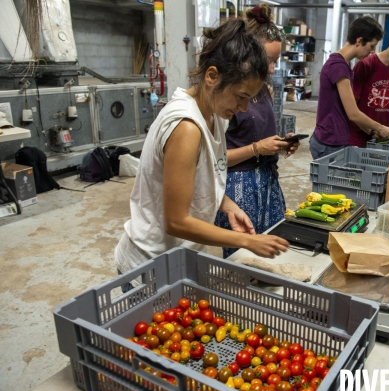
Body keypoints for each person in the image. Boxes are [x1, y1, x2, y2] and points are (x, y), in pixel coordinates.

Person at [114, 19, 289, 290]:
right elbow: (176, 221)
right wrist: (247, 241)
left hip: (179, 260)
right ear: (212, 76)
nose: (244, 108)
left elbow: (203, 175)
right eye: (241, 96)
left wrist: (228, 205)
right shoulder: (186, 126)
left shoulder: (216, 114)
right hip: (149, 265)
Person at [215, 3, 299, 258]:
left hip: (267, 181)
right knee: (243, 260)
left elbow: (261, 134)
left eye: (276, 60)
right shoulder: (224, 99)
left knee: (272, 252)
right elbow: (213, 160)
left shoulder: (265, 90)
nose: (273, 68)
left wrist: (280, 144)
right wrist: (256, 148)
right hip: (238, 187)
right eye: (268, 60)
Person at [309, 16, 389, 160]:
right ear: (359, 41)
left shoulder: (343, 64)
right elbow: (353, 113)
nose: (372, 51)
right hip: (329, 144)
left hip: (333, 140)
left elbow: (344, 111)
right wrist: (380, 127)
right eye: (371, 46)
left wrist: (371, 132)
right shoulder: (338, 66)